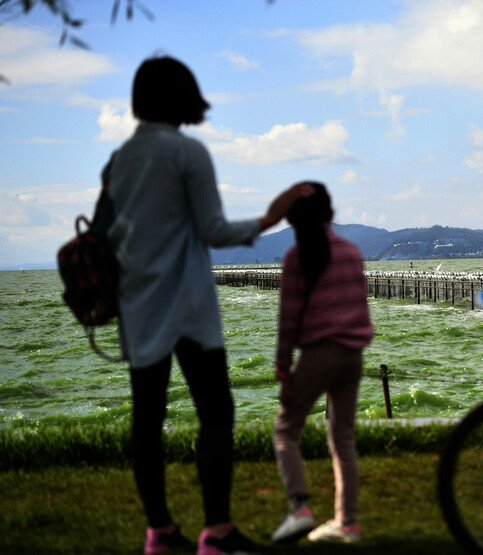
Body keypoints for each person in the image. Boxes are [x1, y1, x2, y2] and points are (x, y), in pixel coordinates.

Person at [105, 55, 309, 555]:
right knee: (216, 415)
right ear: (184, 98)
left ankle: (159, 531)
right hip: (190, 309)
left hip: (138, 308)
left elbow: (108, 235)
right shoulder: (187, 153)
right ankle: (216, 531)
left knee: (146, 422)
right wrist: (269, 219)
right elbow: (213, 230)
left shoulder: (117, 161)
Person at [270, 182, 373, 545]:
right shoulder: (351, 252)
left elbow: (288, 322)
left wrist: (283, 371)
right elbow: (361, 305)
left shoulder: (296, 259)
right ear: (331, 215)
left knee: (285, 432)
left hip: (319, 354)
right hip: (353, 355)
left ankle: (300, 508)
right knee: (343, 438)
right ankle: (347, 523)